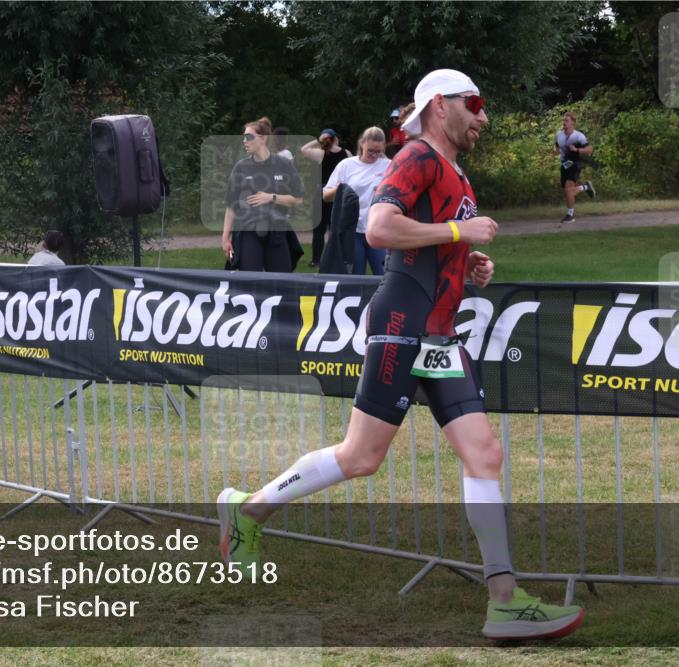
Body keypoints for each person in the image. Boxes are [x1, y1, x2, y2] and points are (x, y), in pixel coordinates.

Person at [217, 69, 584, 641]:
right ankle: (249, 507)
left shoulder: (456, 172)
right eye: (474, 104)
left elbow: (433, 240)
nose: (483, 116)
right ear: (439, 105)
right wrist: (458, 236)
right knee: (361, 457)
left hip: (440, 335)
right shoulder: (417, 156)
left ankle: (504, 602)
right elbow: (381, 228)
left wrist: (469, 264)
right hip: (401, 324)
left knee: (484, 453)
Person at [222, 117, 305, 272]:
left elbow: (298, 199)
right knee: (250, 279)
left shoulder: (284, 164)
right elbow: (231, 205)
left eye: (248, 137)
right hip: (249, 231)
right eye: (243, 138)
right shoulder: (241, 167)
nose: (244, 141)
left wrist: (271, 197)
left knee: (281, 279)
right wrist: (225, 238)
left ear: (263, 138)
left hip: (277, 230)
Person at [323, 126, 390, 275]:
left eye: (378, 151)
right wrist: (342, 188)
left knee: (385, 276)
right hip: (353, 230)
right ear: (361, 143)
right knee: (355, 276)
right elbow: (326, 196)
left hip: (379, 230)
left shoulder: (389, 166)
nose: (374, 155)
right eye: (370, 151)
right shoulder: (346, 165)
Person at [301, 129, 352, 267]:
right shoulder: (346, 153)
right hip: (339, 193)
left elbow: (304, 149)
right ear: (336, 138)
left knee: (319, 229)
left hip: (322, 192)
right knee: (336, 228)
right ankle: (336, 258)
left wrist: (318, 140)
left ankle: (316, 260)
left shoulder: (321, 153)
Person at [554, 111, 596, 224]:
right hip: (564, 164)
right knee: (569, 191)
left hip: (576, 163)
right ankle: (586, 187)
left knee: (569, 189)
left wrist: (577, 150)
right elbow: (557, 147)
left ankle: (570, 215)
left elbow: (589, 150)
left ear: (573, 122)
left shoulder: (579, 136)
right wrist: (555, 152)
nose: (564, 122)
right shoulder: (559, 135)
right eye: (564, 120)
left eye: (567, 120)